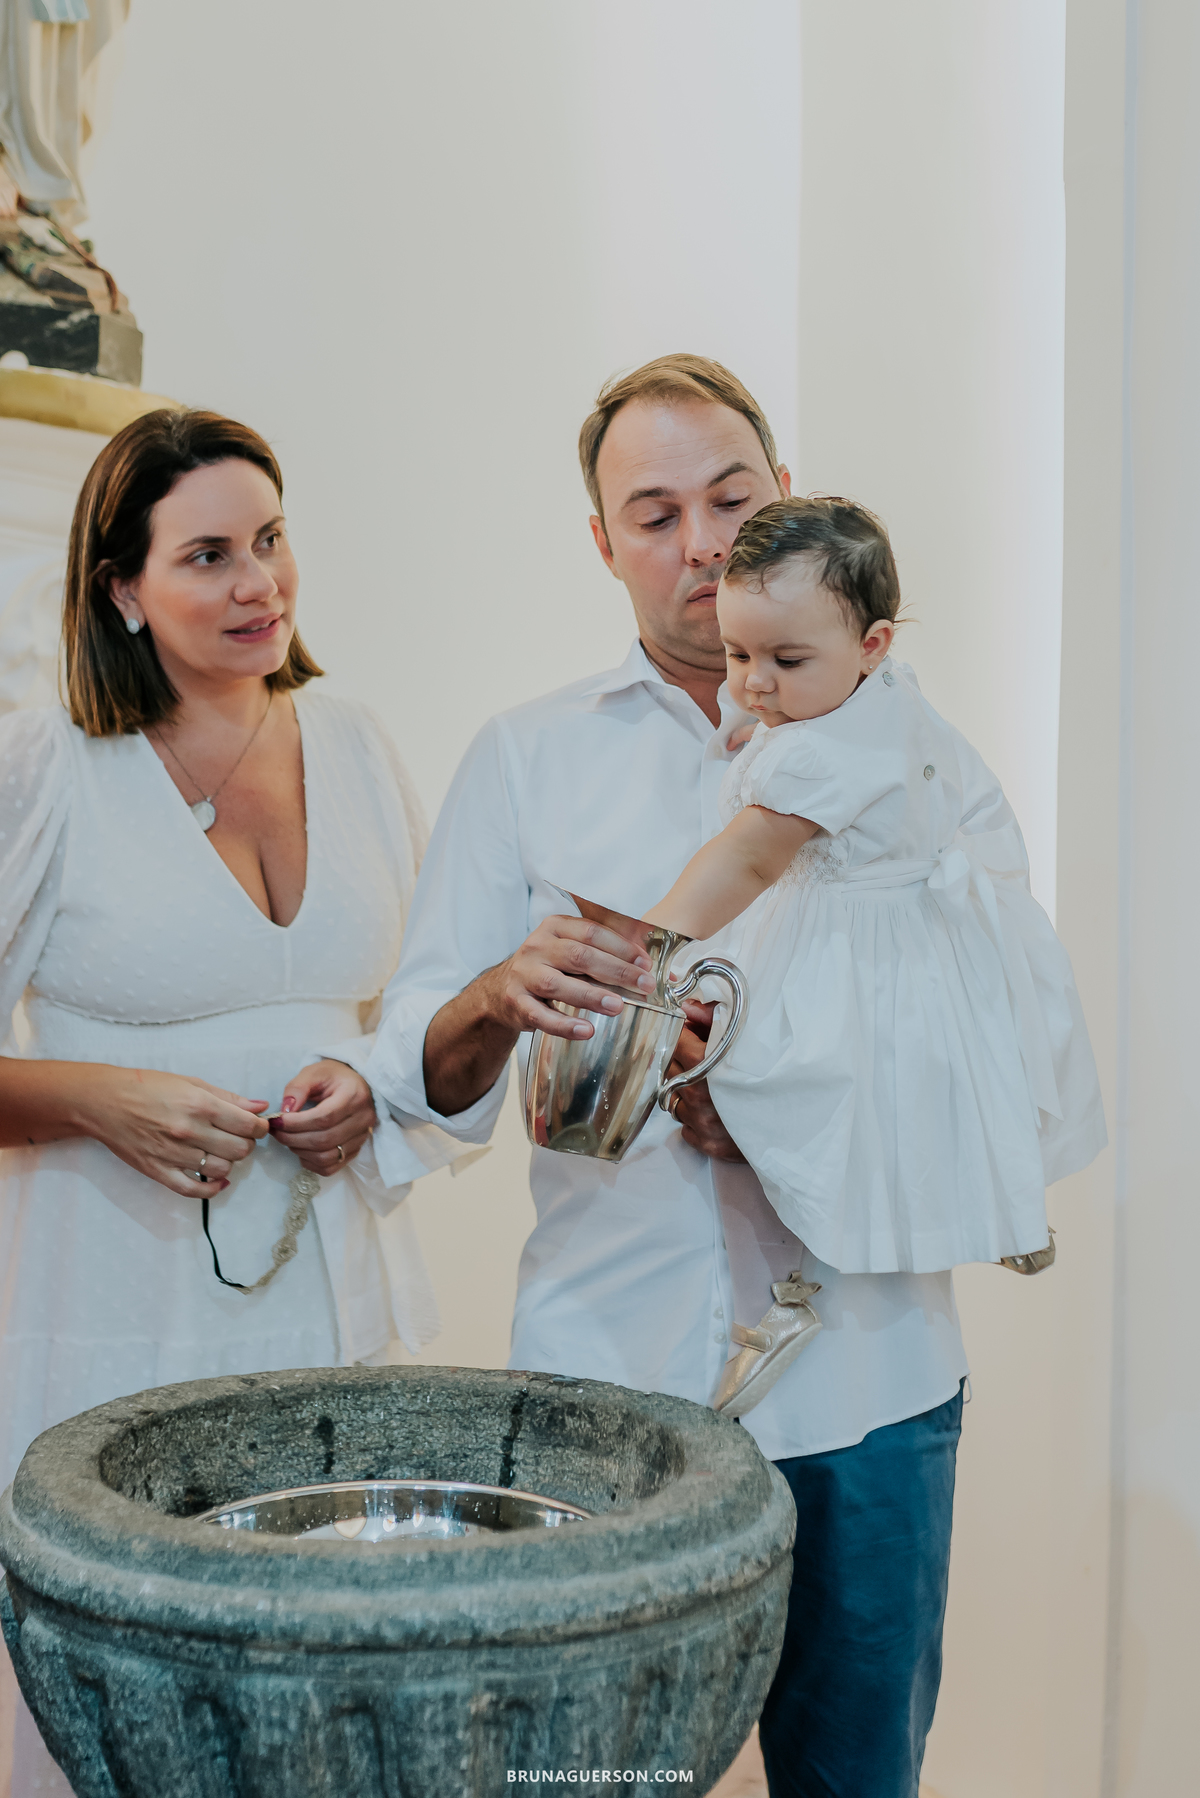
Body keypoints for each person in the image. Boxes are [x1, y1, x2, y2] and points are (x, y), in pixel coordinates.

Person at [357, 354, 971, 1797]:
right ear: (602, 542)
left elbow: (983, 1041)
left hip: (870, 1373)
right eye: (654, 513)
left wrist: (794, 1107)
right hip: (606, 1373)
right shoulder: (527, 757)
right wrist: (500, 997)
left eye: (732, 498)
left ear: (787, 497)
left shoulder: (911, 750)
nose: (700, 542)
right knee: (588, 1777)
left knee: (855, 1775)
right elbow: (422, 1073)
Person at [0, 407, 464, 1796]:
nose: (260, 582)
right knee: (132, 1723)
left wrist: (374, 1088)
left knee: (324, 1716)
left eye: (270, 538)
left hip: (329, 1313)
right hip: (112, 1321)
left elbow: (429, 1014)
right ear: (121, 589)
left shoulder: (359, 743)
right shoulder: (45, 767)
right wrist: (97, 1097)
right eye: (207, 554)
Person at [642, 496, 1105, 1415]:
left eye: (785, 661)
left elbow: (745, 861)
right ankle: (993, 1211)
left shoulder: (829, 755)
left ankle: (795, 1295)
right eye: (738, 655)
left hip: (860, 952)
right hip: (910, 943)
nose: (755, 685)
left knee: (807, 1103)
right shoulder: (880, 697)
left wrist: (646, 950)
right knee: (914, 1112)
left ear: (872, 644)